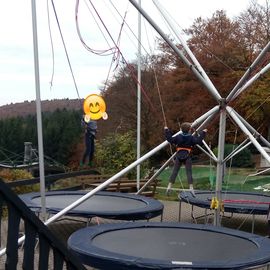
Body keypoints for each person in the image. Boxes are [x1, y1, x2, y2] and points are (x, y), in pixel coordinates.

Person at [164, 122, 207, 196]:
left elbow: (170, 139)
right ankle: (191, 188)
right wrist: (203, 132)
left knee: (175, 171)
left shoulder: (178, 137)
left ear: (181, 129)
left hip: (179, 156)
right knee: (189, 172)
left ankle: (169, 186)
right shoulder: (191, 137)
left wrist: (166, 130)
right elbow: (198, 141)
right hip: (187, 156)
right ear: (190, 130)